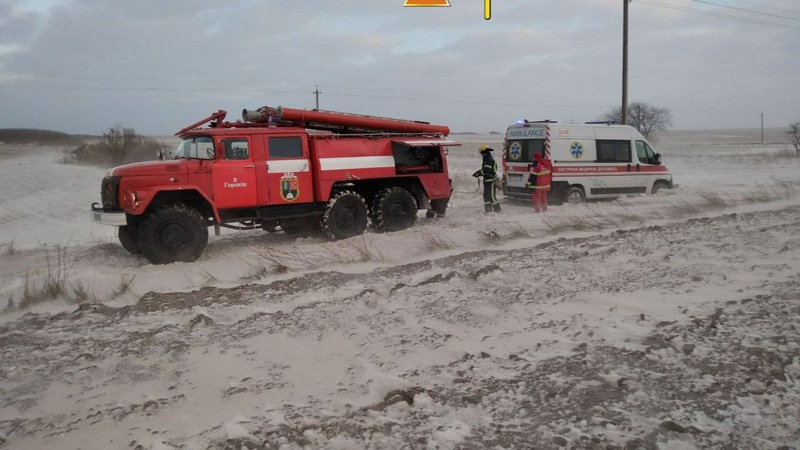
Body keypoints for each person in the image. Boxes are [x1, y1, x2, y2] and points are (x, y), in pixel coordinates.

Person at [473, 145, 501, 213]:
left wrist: (478, 173)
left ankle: (497, 210)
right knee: (486, 196)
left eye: (481, 153)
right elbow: (485, 169)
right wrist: (479, 172)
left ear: (484, 152)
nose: (481, 155)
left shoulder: (489, 159)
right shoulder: (486, 159)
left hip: (491, 180)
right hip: (487, 180)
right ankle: (488, 210)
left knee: (491, 196)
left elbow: (487, 170)